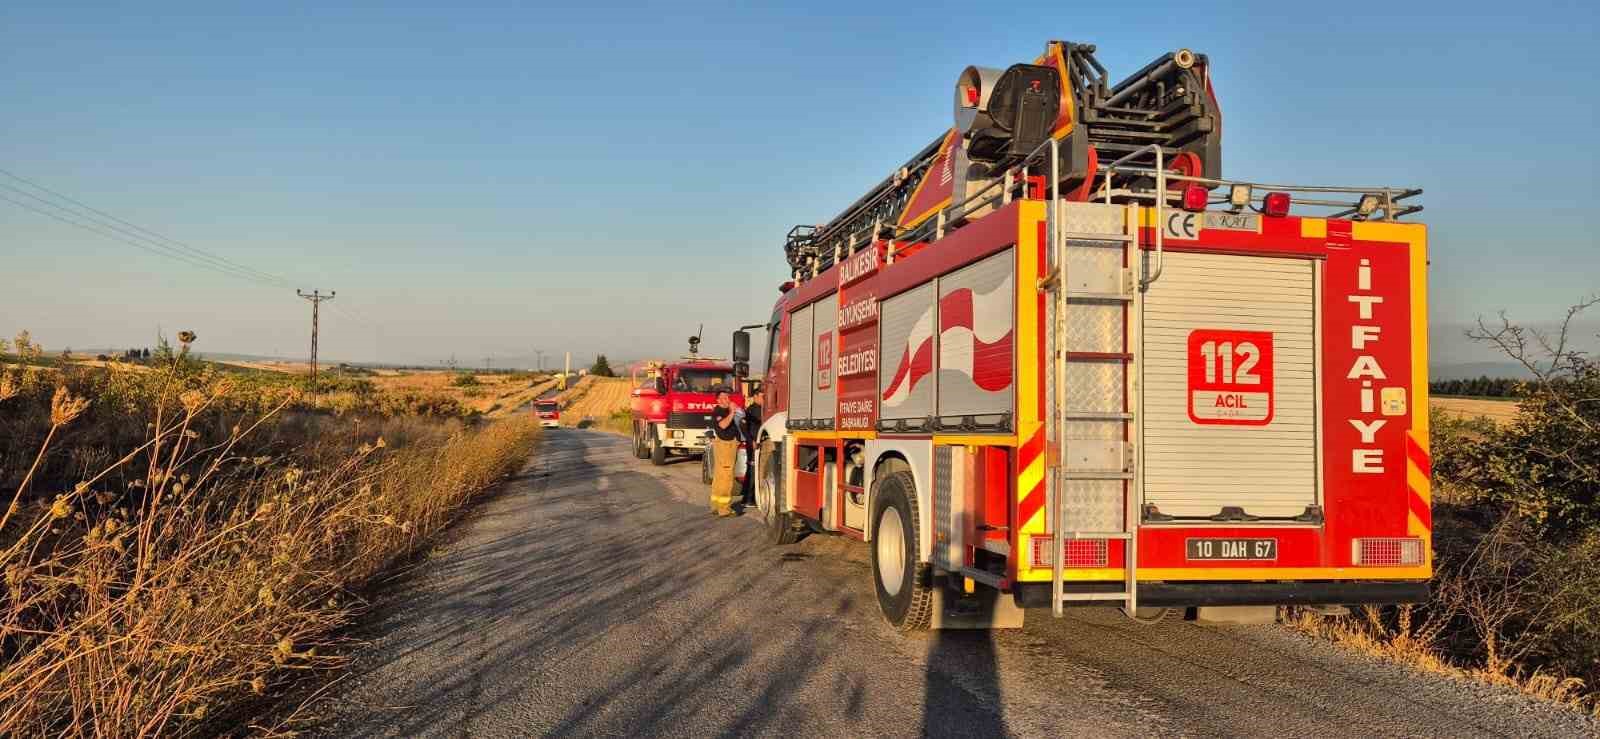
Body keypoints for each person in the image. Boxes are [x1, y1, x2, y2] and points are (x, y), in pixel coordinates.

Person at [708, 390, 741, 517]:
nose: (727, 400)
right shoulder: (719, 412)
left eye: (728, 397)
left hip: (726, 445)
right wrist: (732, 412)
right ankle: (724, 509)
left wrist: (735, 411)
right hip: (725, 445)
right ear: (718, 400)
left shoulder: (726, 410)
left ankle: (716, 505)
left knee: (719, 476)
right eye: (724, 398)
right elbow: (722, 425)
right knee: (726, 477)